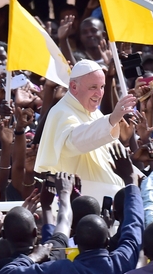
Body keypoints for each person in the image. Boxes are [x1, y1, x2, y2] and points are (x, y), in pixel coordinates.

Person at [0, 149, 143, 274]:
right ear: (107, 240)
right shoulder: (121, 262)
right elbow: (134, 227)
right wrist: (131, 181)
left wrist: (34, 256)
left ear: (76, 241)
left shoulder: (61, 271)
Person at [34, 59, 137, 200]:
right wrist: (112, 119)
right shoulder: (61, 111)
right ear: (74, 87)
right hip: (84, 199)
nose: (99, 93)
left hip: (111, 196)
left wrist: (136, 177)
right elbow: (74, 142)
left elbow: (114, 157)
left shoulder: (95, 113)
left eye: (102, 87)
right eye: (93, 87)